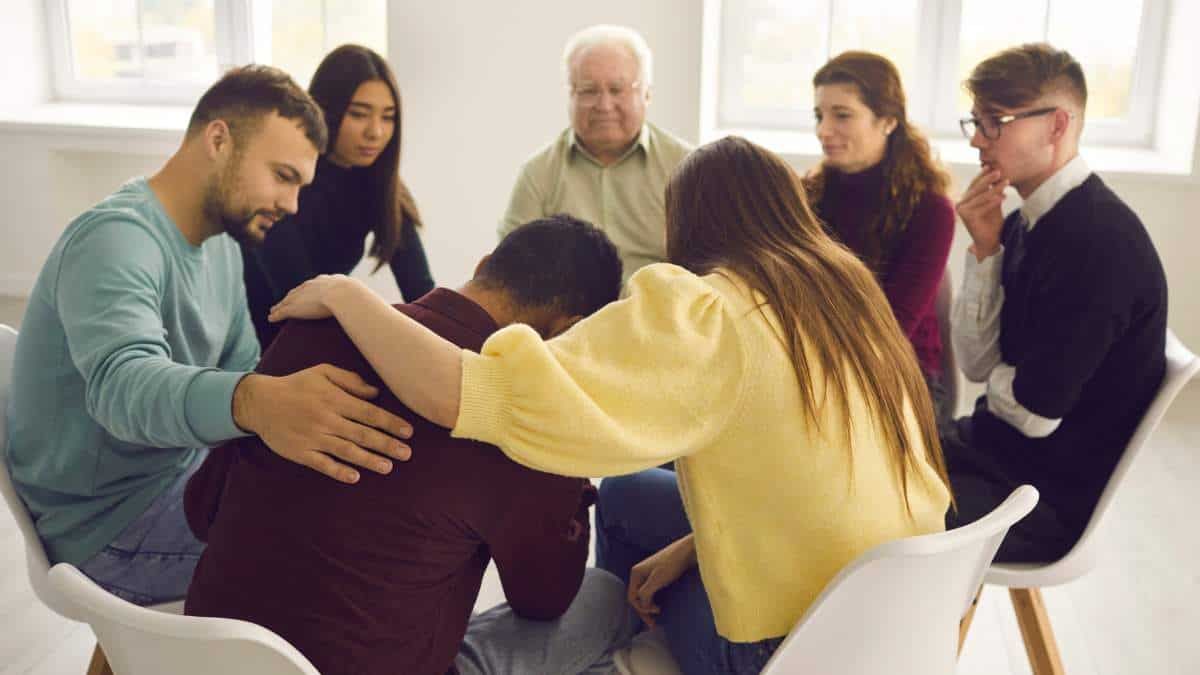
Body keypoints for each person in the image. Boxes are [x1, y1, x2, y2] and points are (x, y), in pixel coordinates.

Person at [269, 136, 953, 674]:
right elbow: (819, 469)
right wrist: (694, 547)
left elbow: (467, 392)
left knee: (605, 600)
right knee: (629, 493)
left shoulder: (708, 310)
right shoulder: (844, 289)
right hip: (894, 619)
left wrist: (344, 294)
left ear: (686, 225)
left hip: (783, 650)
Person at [2, 65, 413, 606]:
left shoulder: (220, 243)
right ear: (218, 139)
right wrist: (256, 402)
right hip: (106, 527)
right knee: (350, 568)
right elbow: (123, 387)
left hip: (178, 476)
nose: (292, 205)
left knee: (365, 509)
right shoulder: (117, 241)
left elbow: (243, 363)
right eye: (283, 176)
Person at [186, 215, 633, 675]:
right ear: (568, 330)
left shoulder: (313, 327)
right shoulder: (524, 419)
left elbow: (202, 510)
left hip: (205, 657)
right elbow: (543, 599)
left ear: (483, 264)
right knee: (604, 597)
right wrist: (573, 458)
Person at [947, 43, 1167, 562]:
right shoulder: (1027, 222)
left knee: (855, 506)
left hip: (1038, 500)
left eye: (995, 122)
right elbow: (977, 365)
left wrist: (1003, 380)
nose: (978, 140)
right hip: (994, 453)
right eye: (974, 122)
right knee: (858, 461)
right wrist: (985, 250)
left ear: (1057, 125)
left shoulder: (1099, 242)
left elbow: (1034, 412)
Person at [243, 44, 434, 348]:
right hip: (264, 343)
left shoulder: (381, 184)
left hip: (323, 334)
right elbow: (297, 294)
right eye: (359, 114)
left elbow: (421, 291)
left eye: (388, 117)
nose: (376, 132)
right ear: (326, 110)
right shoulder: (285, 181)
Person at [806, 51, 955, 420]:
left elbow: (892, 327)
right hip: (816, 365)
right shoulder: (807, 195)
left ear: (888, 121)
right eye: (819, 115)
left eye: (842, 115)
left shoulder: (930, 210)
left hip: (900, 376)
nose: (824, 131)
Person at [500, 24, 693, 282]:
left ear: (646, 94)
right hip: (566, 320)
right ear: (569, 95)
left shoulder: (686, 168)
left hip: (659, 317)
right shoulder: (538, 174)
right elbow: (510, 272)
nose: (604, 105)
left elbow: (710, 270)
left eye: (617, 90)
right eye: (589, 90)